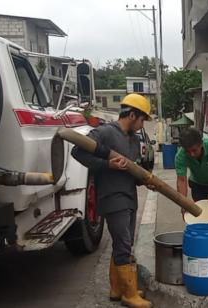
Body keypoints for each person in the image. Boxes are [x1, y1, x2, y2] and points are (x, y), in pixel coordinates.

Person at [71, 93, 152, 308]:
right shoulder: (104, 133)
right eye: (143, 119)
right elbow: (78, 152)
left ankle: (118, 288)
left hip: (129, 196)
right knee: (123, 243)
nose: (143, 124)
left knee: (124, 243)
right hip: (111, 196)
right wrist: (108, 165)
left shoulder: (135, 140)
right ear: (132, 115)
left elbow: (132, 169)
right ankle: (129, 294)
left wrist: (143, 179)